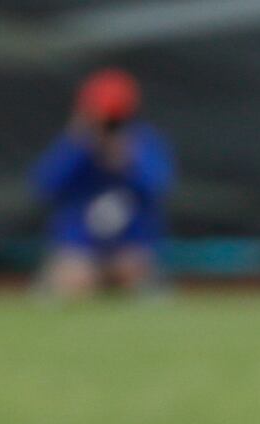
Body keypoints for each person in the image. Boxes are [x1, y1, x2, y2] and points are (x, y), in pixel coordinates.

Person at [31, 68, 174, 296]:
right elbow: (45, 186)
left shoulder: (143, 142)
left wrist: (127, 162)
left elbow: (158, 187)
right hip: (80, 245)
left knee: (134, 270)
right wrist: (78, 146)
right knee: (74, 277)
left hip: (130, 246)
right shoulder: (75, 145)